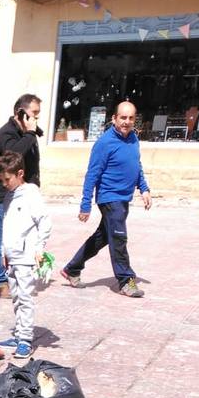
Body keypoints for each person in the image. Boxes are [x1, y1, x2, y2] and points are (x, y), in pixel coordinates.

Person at [60, 101, 151, 298]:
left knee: (103, 237)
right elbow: (91, 175)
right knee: (119, 238)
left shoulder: (134, 138)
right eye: (123, 118)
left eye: (131, 118)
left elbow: (137, 165)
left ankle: (72, 269)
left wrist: (144, 188)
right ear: (114, 119)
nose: (127, 122)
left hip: (123, 198)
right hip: (110, 198)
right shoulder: (104, 143)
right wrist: (86, 204)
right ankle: (126, 280)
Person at [0, 150, 51, 362]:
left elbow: (44, 221)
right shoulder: (9, 196)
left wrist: (39, 248)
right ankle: (19, 334)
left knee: (25, 298)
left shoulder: (31, 195)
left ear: (20, 174)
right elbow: (6, 227)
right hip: (12, 257)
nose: (5, 183)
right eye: (2, 180)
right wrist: (3, 252)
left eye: (7, 179)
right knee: (16, 296)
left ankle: (25, 339)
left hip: (26, 258)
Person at [0, 93, 43, 297]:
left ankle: (15, 277)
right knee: (2, 239)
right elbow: (14, 156)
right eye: (33, 114)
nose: (36, 119)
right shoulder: (6, 134)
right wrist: (30, 134)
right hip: (3, 198)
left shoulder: (26, 134)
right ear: (19, 113)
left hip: (21, 197)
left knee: (18, 238)